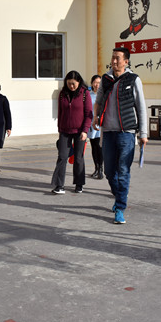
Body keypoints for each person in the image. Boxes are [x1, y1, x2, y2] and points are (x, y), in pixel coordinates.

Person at [92, 47, 148, 224]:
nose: (114, 61)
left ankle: (120, 208)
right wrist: (95, 116)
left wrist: (143, 133)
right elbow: (98, 101)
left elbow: (141, 107)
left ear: (126, 61)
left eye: (117, 58)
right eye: (112, 58)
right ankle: (119, 197)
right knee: (109, 171)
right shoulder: (106, 79)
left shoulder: (133, 79)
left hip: (127, 132)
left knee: (123, 171)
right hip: (108, 132)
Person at [50, 71, 93, 194]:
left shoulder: (85, 93)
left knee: (78, 158)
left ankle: (79, 184)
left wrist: (85, 130)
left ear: (79, 82)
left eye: (73, 83)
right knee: (62, 157)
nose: (71, 86)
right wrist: (59, 129)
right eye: (69, 83)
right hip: (65, 131)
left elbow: (88, 114)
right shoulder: (62, 94)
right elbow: (60, 112)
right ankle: (59, 185)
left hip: (80, 131)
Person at [88, 75, 103, 179]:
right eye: (95, 82)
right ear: (92, 83)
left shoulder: (104, 95)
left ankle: (101, 169)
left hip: (101, 124)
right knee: (93, 146)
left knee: (99, 146)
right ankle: (96, 168)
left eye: (99, 83)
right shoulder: (88, 95)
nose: (97, 85)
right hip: (91, 124)